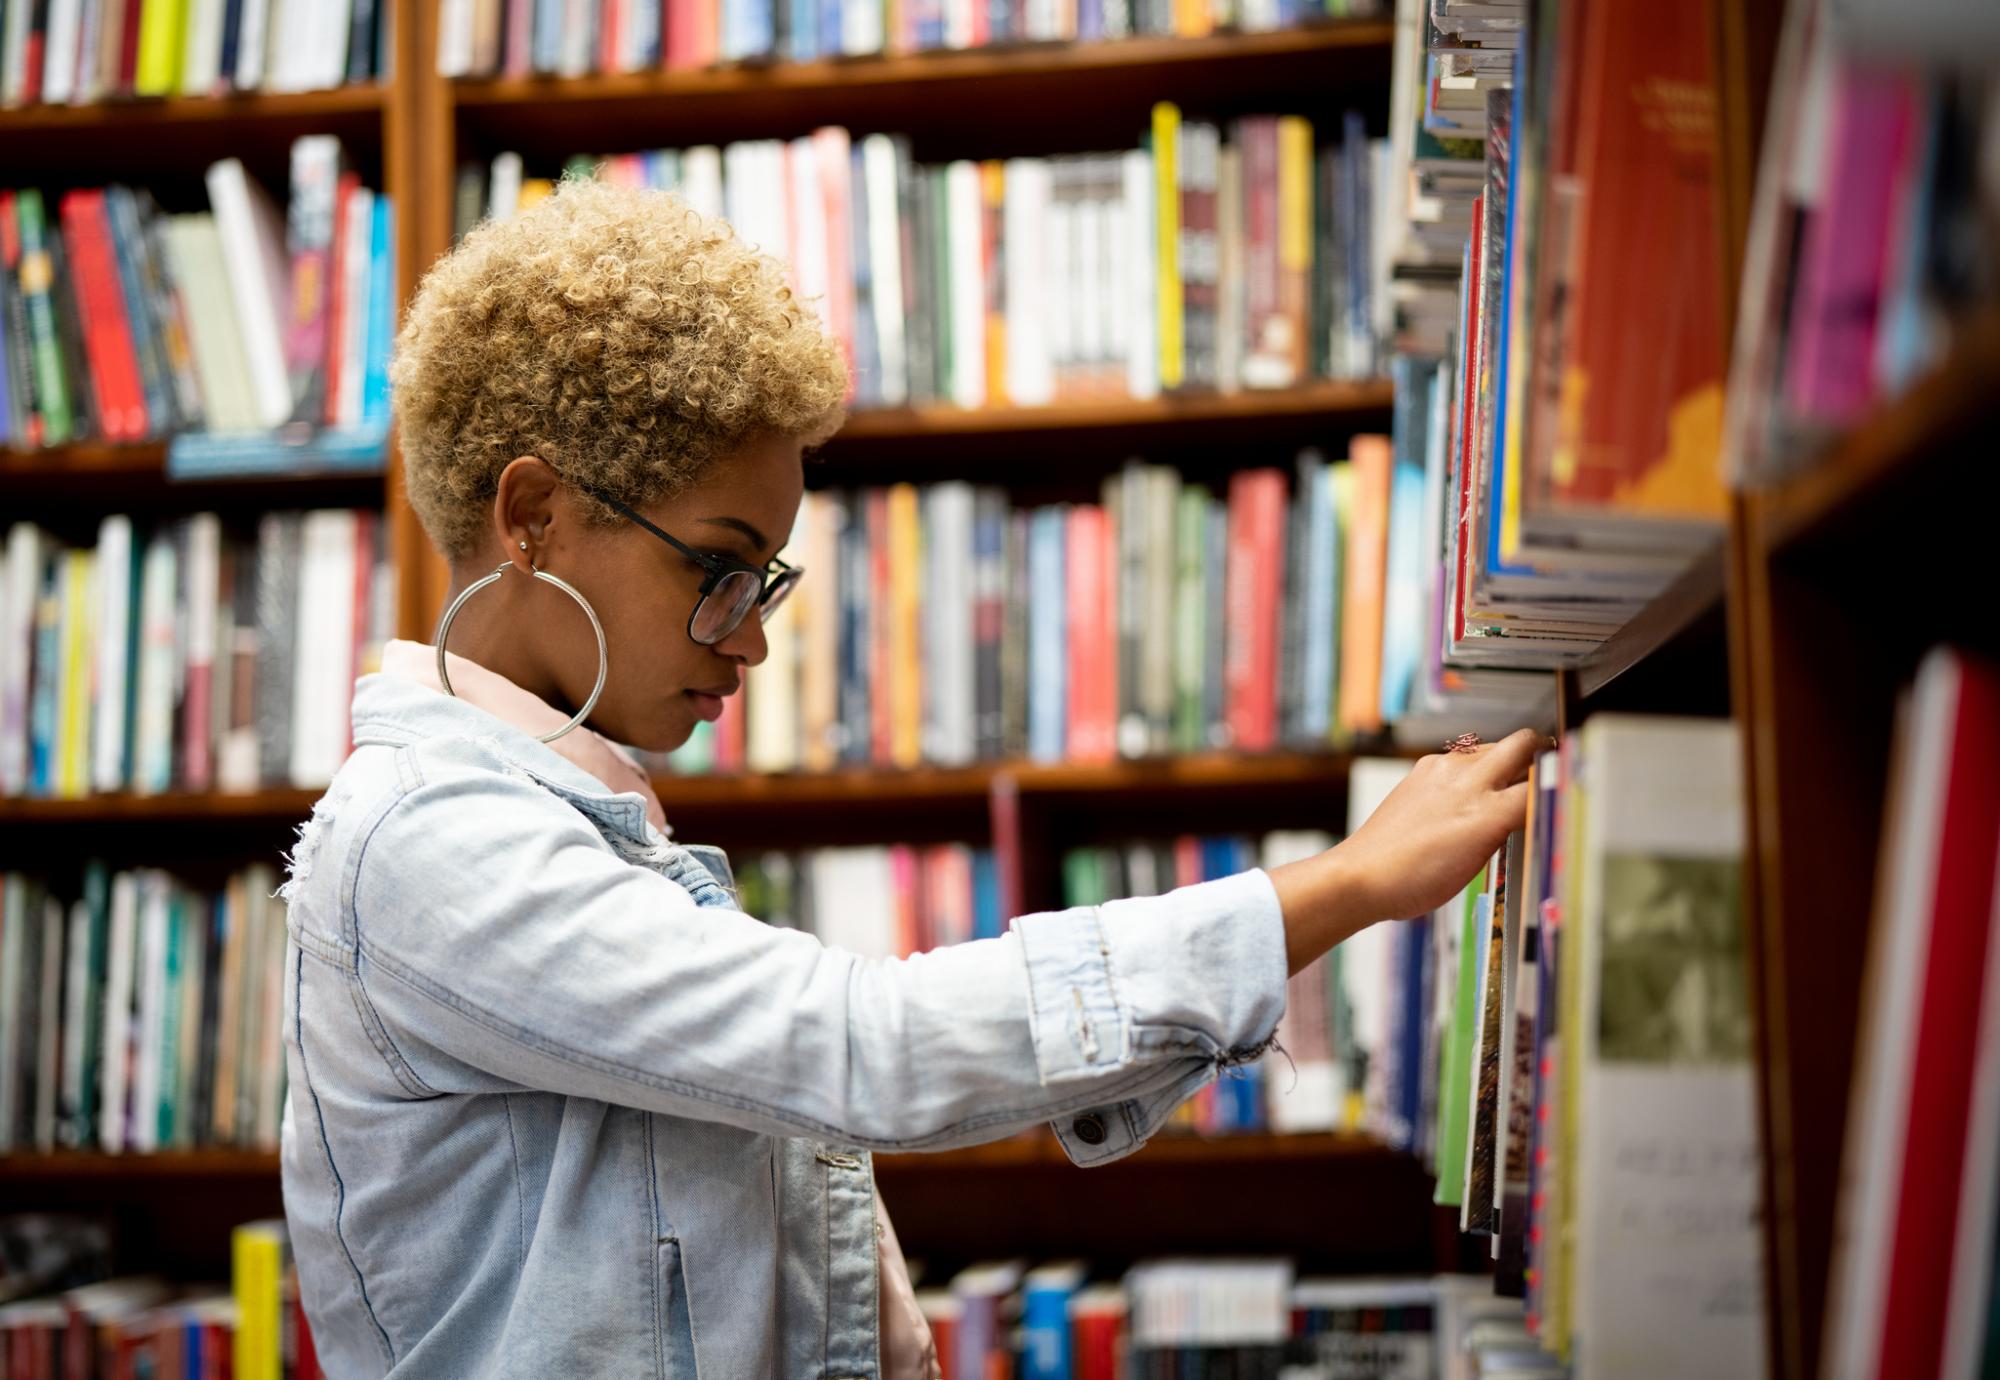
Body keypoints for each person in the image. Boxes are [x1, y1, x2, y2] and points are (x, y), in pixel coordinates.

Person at [276, 177, 1534, 1380]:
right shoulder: (429, 841)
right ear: (534, 514)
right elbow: (862, 1048)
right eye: (716, 565)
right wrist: (1351, 884)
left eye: (764, 580)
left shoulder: (561, 810)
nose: (750, 636)